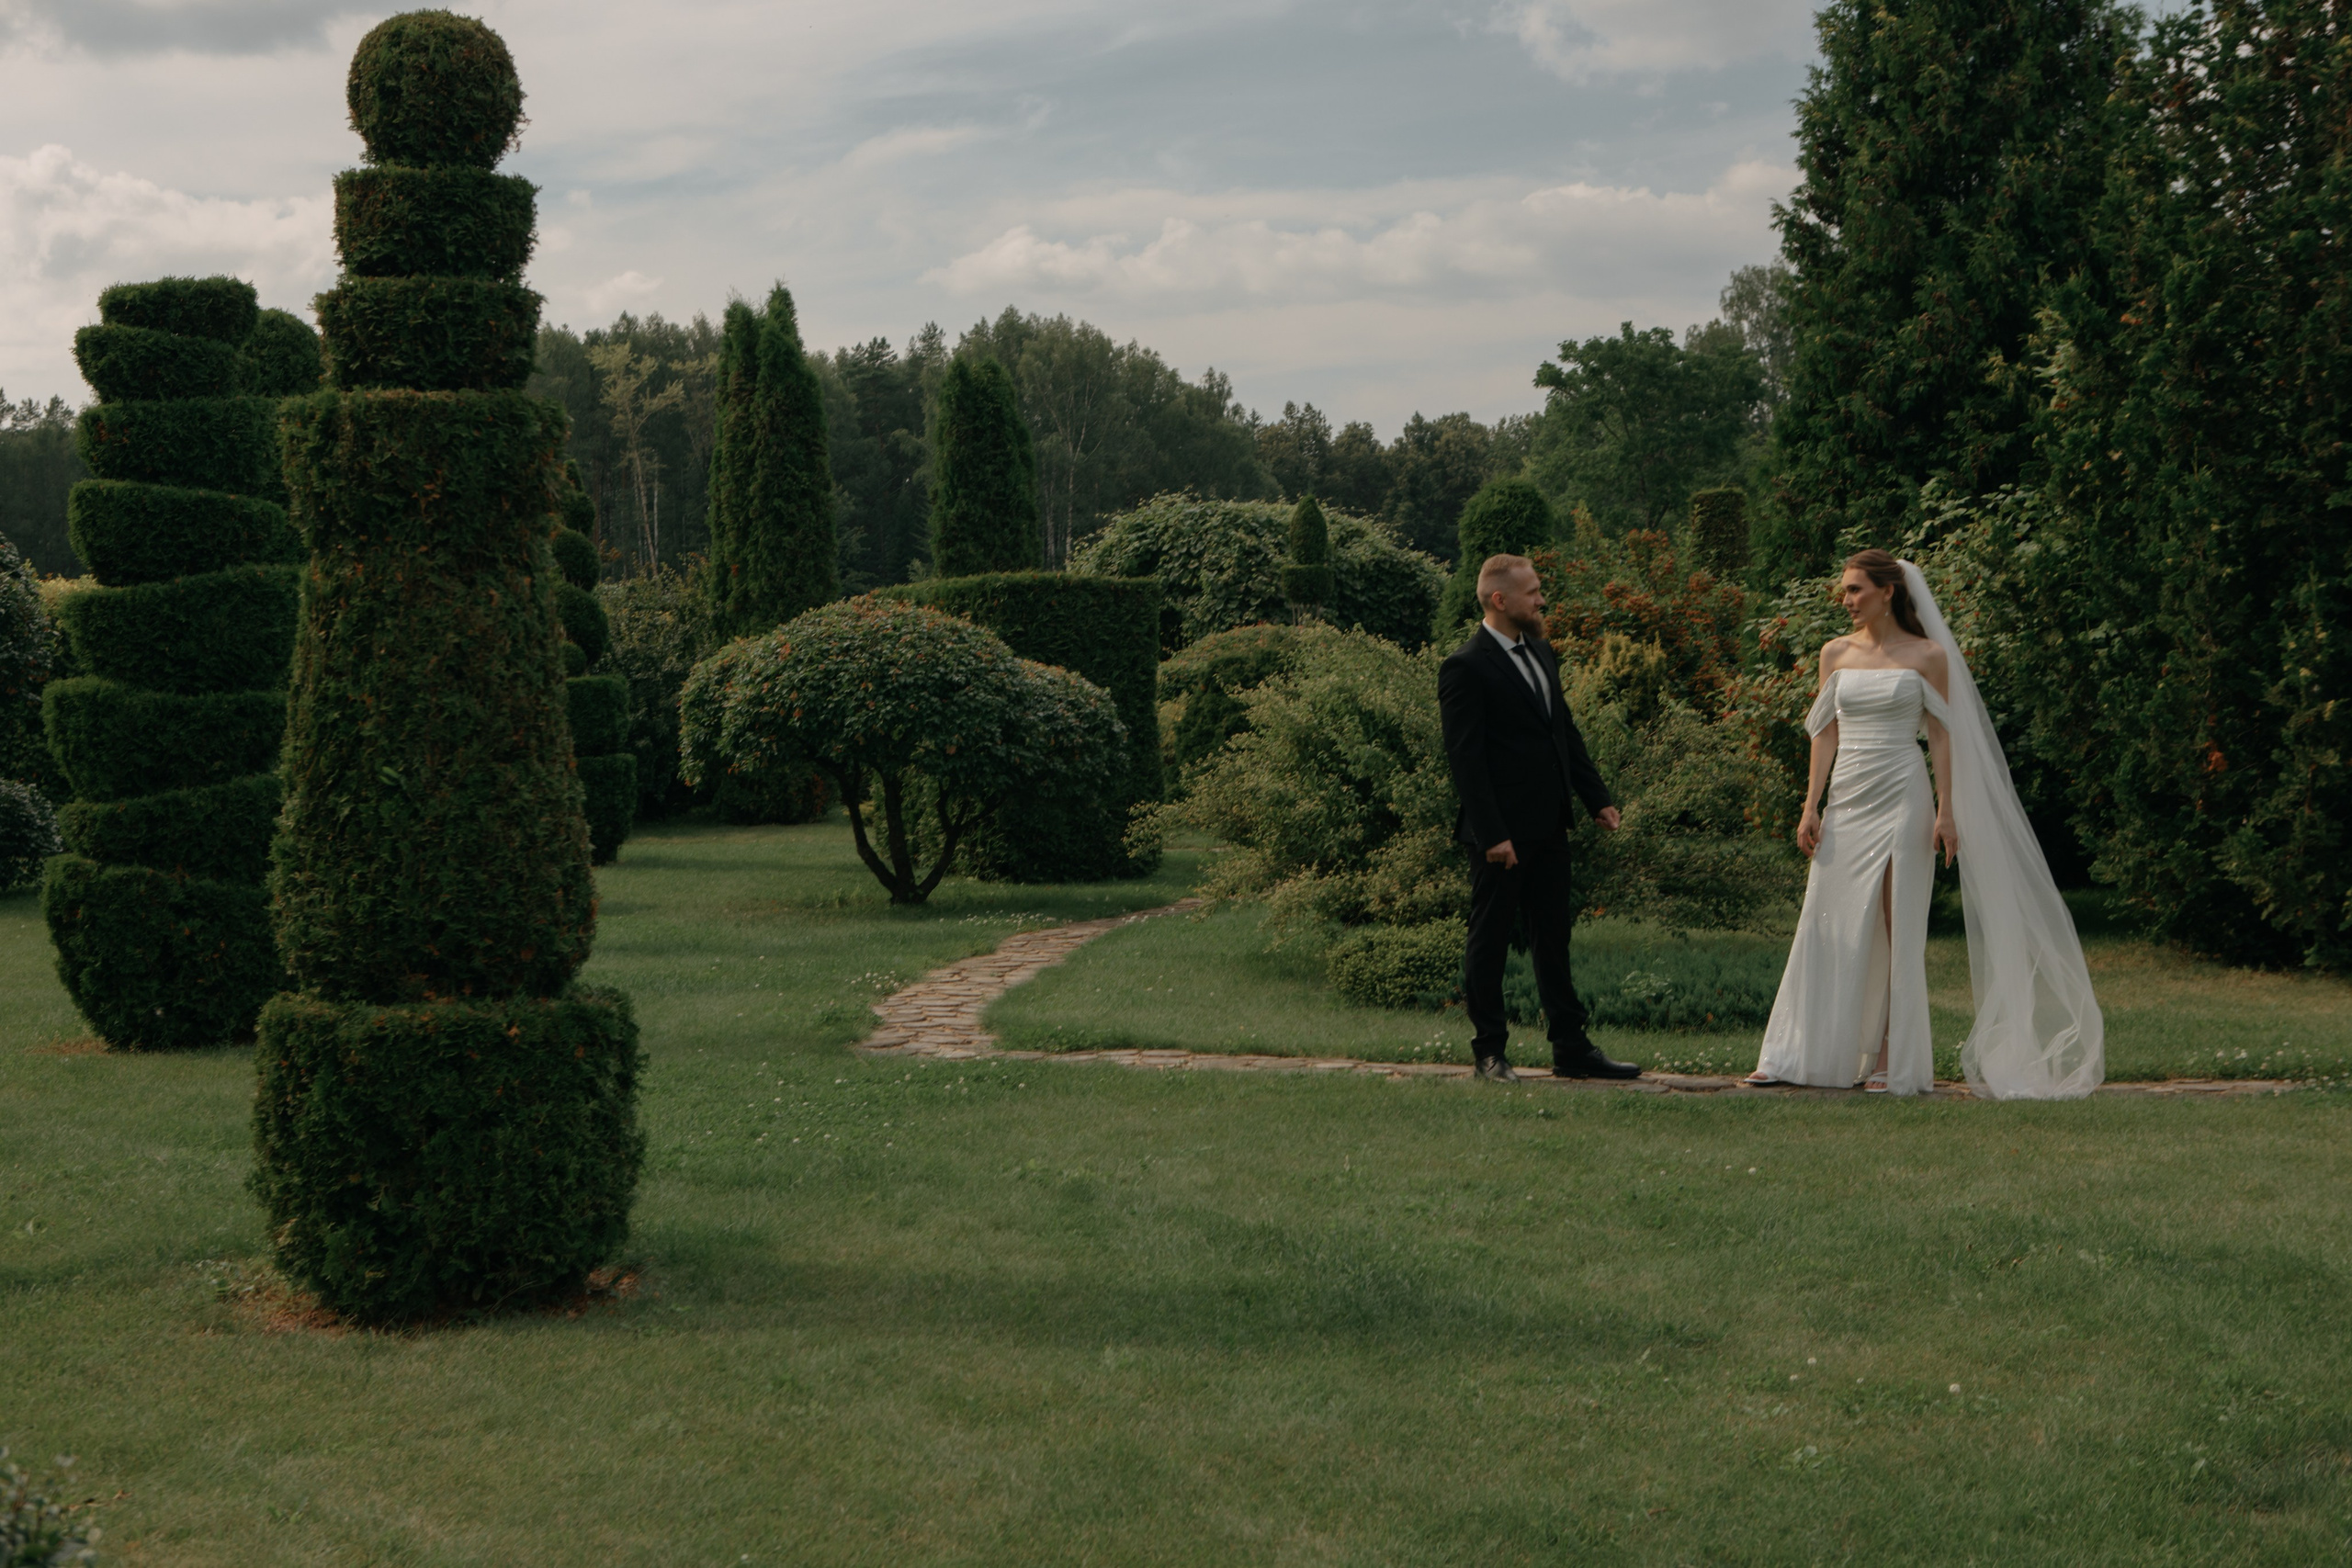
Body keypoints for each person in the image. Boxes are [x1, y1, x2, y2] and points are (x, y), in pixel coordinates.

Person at [1746, 550, 2103, 1099]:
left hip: (1903, 795)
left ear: (1888, 591)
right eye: (1845, 590)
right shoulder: (1834, 653)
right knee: (1823, 919)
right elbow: (1825, 732)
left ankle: (1891, 1057)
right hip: (1847, 797)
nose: (1846, 600)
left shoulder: (1929, 655)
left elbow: (1941, 734)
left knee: (1900, 927)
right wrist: (1810, 805)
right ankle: (1793, 1052)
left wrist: (1946, 810)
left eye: (1856, 589)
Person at [1438, 554, 1636, 1084]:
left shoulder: (1542, 651)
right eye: (1532, 592)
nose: (1542, 600)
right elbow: (1466, 759)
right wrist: (1493, 834)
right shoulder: (1465, 666)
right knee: (1489, 941)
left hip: (1550, 825)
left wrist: (1596, 798)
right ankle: (1489, 1053)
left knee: (1553, 938)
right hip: (1500, 835)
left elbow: (1561, 730)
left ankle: (1571, 1048)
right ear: (1500, 600)